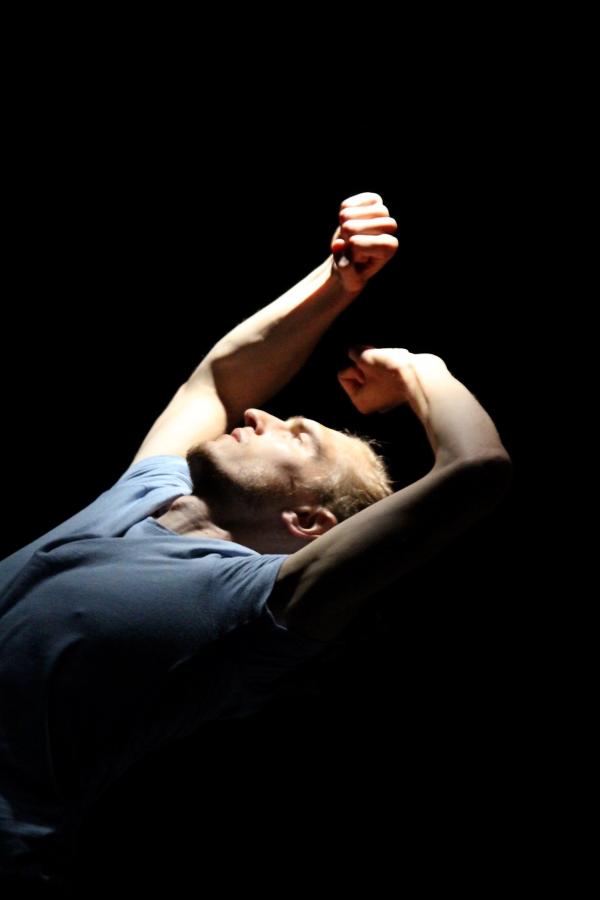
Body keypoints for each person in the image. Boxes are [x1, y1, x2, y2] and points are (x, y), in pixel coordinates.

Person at [0, 192, 512, 890]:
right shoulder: (149, 494)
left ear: (308, 522)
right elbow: (219, 380)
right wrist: (339, 280)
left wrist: (418, 367)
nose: (261, 413)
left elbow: (476, 470)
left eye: (299, 437)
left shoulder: (257, 604)